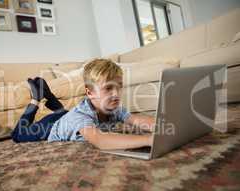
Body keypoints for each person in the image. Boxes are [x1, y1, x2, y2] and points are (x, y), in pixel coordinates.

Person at [11, 59, 154, 150]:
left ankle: (48, 95)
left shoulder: (113, 108)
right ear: (90, 93)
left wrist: (161, 127)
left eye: (119, 86)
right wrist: (148, 139)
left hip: (67, 117)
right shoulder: (80, 117)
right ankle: (36, 99)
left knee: (63, 113)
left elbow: (135, 119)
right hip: (49, 127)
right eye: (109, 88)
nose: (116, 94)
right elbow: (100, 140)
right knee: (18, 134)